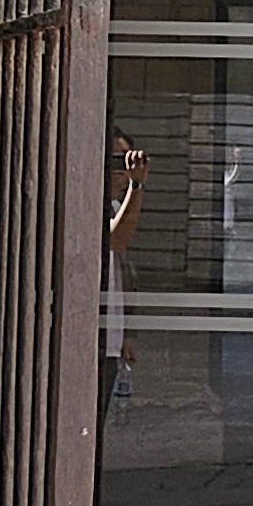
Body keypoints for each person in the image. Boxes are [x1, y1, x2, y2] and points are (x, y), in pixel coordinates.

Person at [103, 128, 146, 404]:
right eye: (116, 159)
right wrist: (136, 186)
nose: (122, 169)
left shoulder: (117, 205)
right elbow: (115, 239)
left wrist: (126, 333)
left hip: (111, 336)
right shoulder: (85, 206)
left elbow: (126, 276)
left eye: (126, 160)